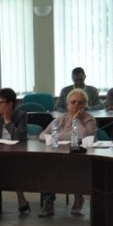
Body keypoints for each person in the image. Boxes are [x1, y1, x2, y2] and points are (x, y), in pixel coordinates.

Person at [38, 88, 96, 217]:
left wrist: (76, 120)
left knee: (75, 168)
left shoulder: (89, 120)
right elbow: (42, 135)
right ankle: (48, 203)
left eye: (80, 102)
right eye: (73, 102)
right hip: (58, 156)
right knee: (46, 167)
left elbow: (82, 137)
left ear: (85, 105)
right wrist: (65, 135)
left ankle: (78, 196)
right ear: (67, 104)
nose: (76, 105)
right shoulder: (61, 119)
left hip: (80, 157)